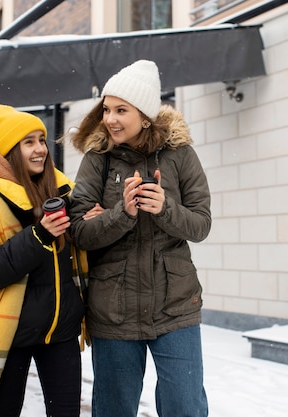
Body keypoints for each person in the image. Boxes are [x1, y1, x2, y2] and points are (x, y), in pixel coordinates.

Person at [67, 59, 212, 417]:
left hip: (175, 305)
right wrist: (124, 213)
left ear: (145, 115)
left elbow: (201, 224)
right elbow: (80, 232)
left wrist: (165, 207)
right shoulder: (97, 160)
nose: (110, 119)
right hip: (113, 307)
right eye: (106, 109)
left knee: (185, 407)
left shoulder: (181, 155)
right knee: (114, 409)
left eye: (121, 110)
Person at [0, 104, 88, 417]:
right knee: (4, 412)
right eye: (29, 142)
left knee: (66, 413)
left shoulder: (63, 193)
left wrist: (88, 223)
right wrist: (38, 235)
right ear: (11, 151)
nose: (40, 149)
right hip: (10, 331)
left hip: (60, 328)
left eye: (41, 140)